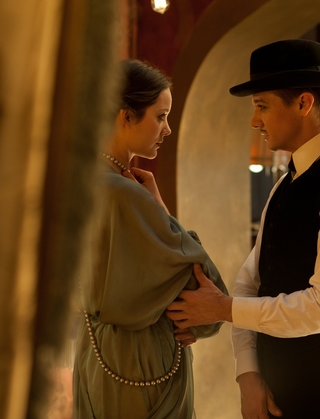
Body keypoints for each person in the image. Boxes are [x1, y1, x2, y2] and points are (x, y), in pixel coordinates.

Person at [166, 39, 320, 419]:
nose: (254, 121)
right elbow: (250, 282)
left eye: (262, 106)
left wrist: (224, 309)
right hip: (275, 385)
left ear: (304, 103)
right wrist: (248, 373)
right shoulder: (285, 183)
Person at [73, 59, 228, 419]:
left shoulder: (84, 181)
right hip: (139, 364)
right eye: (161, 116)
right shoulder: (124, 194)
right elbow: (206, 289)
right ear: (126, 116)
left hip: (96, 356)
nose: (167, 129)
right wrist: (161, 211)